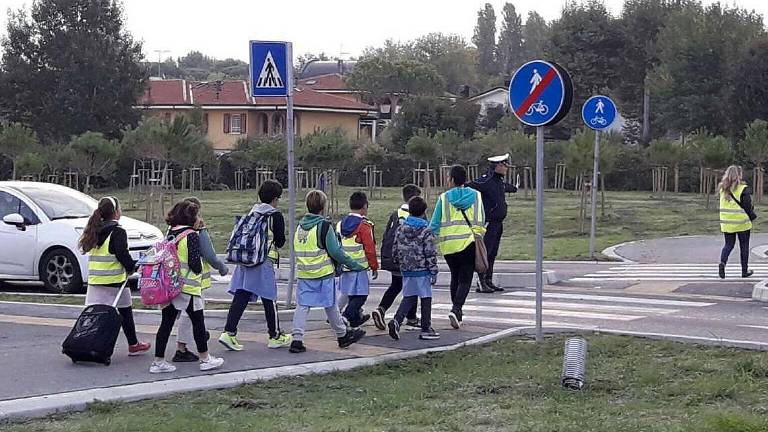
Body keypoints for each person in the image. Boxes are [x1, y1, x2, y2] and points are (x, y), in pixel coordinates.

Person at [150, 200, 224, 373]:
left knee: (166, 323)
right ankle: (205, 358)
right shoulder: (191, 235)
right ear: (191, 217)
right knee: (198, 322)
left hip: (169, 285)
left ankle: (158, 361)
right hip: (188, 287)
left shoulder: (170, 233)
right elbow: (194, 264)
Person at [218, 180, 293, 351]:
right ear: (275, 199)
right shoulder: (275, 216)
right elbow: (280, 241)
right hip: (263, 261)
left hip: (246, 260)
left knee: (242, 294)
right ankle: (275, 335)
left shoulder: (253, 212)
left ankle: (229, 332)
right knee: (269, 298)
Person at [289, 190, 366, 353]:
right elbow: (336, 251)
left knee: (302, 306)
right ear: (323, 207)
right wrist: (353, 264)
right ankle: (342, 335)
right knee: (330, 305)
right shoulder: (323, 226)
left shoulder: (300, 227)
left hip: (304, 273)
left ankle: (297, 339)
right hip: (323, 273)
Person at [79, 197, 151, 356]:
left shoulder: (94, 230)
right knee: (125, 312)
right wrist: (133, 267)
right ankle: (133, 344)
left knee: (94, 315)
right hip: (115, 281)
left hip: (96, 281)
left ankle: (86, 343)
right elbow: (122, 254)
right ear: (116, 212)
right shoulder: (117, 231)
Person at [173, 196, 229, 362]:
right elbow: (209, 255)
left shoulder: (174, 230)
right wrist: (222, 268)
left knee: (187, 315)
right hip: (194, 282)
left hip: (177, 281)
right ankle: (188, 350)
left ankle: (187, 346)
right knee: (193, 317)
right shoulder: (196, 232)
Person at [431, 165, 486, 329]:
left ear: (452, 179)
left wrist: (431, 239)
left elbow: (434, 223)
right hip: (468, 242)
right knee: (465, 279)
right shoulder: (476, 195)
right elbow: (480, 219)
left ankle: (457, 312)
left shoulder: (443, 198)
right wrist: (478, 234)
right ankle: (456, 309)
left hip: (448, 245)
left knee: (455, 277)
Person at [388, 196, 440, 341]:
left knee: (409, 296)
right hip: (422, 269)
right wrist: (433, 269)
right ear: (424, 212)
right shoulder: (426, 230)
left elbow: (395, 247)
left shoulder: (401, 228)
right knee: (426, 297)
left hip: (406, 268)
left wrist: (398, 262)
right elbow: (430, 251)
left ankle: (397, 320)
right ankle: (426, 327)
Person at [372, 184, 421, 331]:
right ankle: (410, 317)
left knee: (396, 285)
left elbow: (387, 235)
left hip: (392, 256)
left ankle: (381, 309)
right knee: (413, 286)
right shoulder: (415, 215)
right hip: (407, 258)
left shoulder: (395, 214)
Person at [468, 153, 517, 293]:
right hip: (489, 223)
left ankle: (488, 280)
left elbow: (507, 188)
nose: (506, 168)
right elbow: (469, 186)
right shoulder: (486, 181)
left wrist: (514, 188)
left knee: (493, 253)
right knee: (486, 252)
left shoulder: (499, 181)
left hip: (498, 223)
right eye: (503, 165)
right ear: (497, 166)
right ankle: (481, 281)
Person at [337, 191, 378, 328]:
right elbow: (370, 249)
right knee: (361, 296)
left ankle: (355, 320)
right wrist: (374, 266)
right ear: (364, 206)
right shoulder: (365, 226)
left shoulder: (340, 224)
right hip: (360, 267)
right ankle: (345, 317)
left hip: (345, 266)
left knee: (350, 293)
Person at [718, 165, 757, 279]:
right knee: (744, 246)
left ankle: (722, 263)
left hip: (727, 223)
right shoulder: (742, 188)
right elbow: (747, 207)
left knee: (728, 245)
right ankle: (744, 271)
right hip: (742, 223)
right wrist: (752, 215)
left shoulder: (722, 189)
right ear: (739, 175)